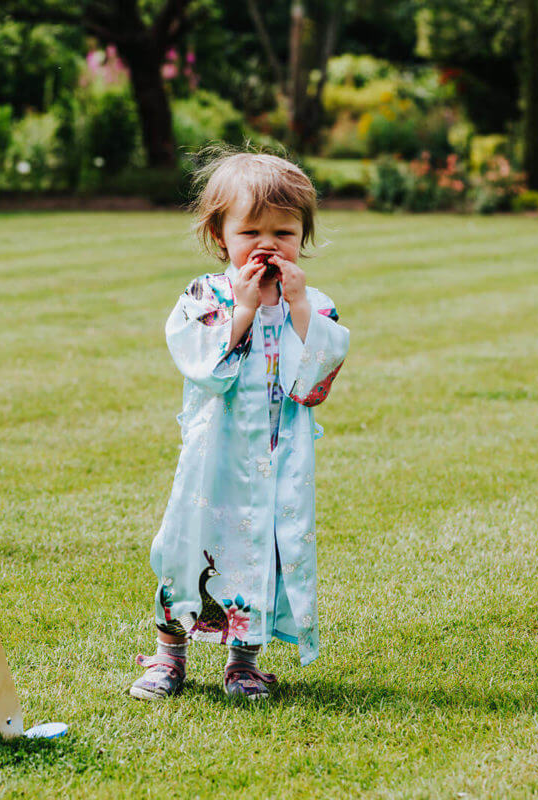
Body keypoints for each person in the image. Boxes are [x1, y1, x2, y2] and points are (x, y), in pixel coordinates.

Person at [130, 149, 350, 700]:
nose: (267, 243)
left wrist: (296, 306)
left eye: (285, 230)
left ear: (304, 236)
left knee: (264, 550)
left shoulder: (313, 304)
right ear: (220, 235)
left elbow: (312, 382)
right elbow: (203, 366)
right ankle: (168, 655)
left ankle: (244, 660)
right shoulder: (208, 295)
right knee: (189, 546)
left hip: (278, 461)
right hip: (213, 459)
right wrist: (245, 311)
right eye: (250, 230)